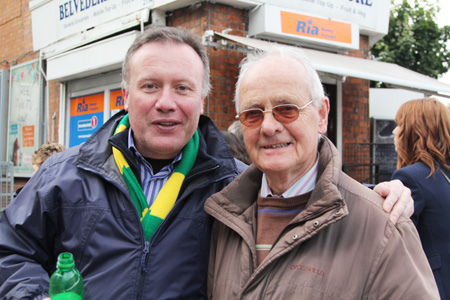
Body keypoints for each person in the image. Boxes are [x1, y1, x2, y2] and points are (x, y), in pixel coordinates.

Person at [0, 26, 413, 300]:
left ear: (202, 101)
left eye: (182, 87)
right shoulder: (63, 174)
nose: (166, 102)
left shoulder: (235, 188)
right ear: (126, 95)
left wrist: (382, 197)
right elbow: (10, 250)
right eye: (150, 86)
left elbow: (312, 201)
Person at [205, 46, 439, 299]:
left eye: (287, 109)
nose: (269, 127)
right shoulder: (222, 218)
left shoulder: (384, 227)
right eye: (253, 114)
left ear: (321, 115)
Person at [391, 98, 450, 300]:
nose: (394, 132)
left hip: (431, 286)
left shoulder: (410, 177)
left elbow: (396, 244)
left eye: (399, 125)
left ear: (413, 130)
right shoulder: (443, 174)